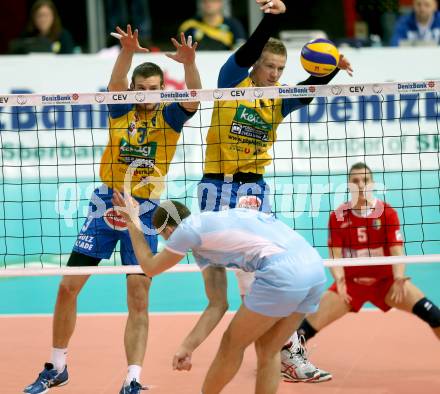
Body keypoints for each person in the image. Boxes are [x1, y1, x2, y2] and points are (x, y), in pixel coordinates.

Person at [23, 26, 202, 394]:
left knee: (138, 298)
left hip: (145, 211)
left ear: (162, 90)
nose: (148, 94)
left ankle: (132, 378)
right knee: (68, 288)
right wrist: (126, 53)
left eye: (155, 89)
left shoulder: (170, 117)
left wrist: (190, 64)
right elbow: (116, 83)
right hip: (105, 205)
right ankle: (57, 367)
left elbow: (195, 98)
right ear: (134, 90)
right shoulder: (121, 108)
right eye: (142, 88)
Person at [197, 0, 352, 382]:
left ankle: (283, 353)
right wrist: (271, 19)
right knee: (240, 281)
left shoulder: (276, 97)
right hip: (217, 187)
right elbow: (250, 49)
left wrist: (330, 69)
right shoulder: (232, 82)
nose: (275, 74)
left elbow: (309, 91)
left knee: (271, 270)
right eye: (270, 67)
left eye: (281, 69)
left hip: (254, 187)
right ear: (255, 65)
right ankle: (272, 351)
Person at [112, 191, 327, 394]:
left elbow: (150, 267)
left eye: (164, 237)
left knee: (232, 343)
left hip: (282, 272)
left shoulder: (187, 230)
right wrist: (188, 345)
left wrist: (133, 222)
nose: (169, 242)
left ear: (168, 231)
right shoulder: (209, 233)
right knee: (268, 350)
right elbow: (218, 303)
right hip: (315, 271)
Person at [297, 162, 440, 344]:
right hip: (350, 285)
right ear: (349, 185)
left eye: (365, 180)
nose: (361, 185)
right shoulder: (338, 216)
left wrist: (398, 278)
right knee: (302, 331)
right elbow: (335, 255)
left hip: (386, 284)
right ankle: (288, 362)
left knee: (435, 316)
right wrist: (339, 280)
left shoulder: (387, 213)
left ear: (372, 184)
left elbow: (397, 251)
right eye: (355, 181)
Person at [9, 0, 75, 54]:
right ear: (33, 17)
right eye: (39, 15)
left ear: (53, 16)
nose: (43, 19)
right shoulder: (27, 35)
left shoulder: (63, 36)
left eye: (46, 15)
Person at [178, 0, 246, 50]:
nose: (209, 3)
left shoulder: (233, 24)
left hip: (225, 65)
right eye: (205, 1)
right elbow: (181, 51)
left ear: (221, 2)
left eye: (213, 0)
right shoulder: (190, 25)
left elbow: (241, 49)